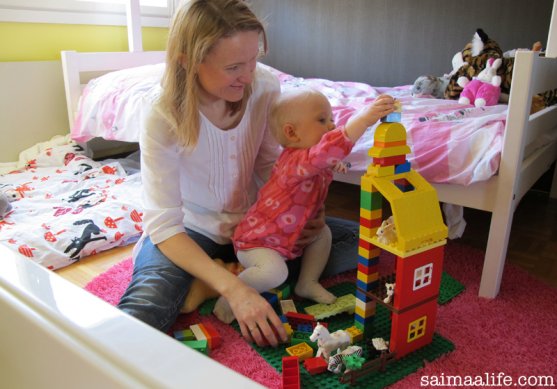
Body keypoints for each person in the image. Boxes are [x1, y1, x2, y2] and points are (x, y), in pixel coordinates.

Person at [116, 0, 367, 347]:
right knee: (143, 312)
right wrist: (236, 292)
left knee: (360, 243)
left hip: (258, 226)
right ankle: (222, 275)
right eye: (234, 66)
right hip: (191, 231)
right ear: (188, 61)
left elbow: (269, 166)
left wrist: (300, 211)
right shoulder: (162, 115)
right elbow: (165, 225)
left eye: (253, 60)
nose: (248, 76)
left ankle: (213, 277)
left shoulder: (264, 88)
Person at [213, 88, 395, 323]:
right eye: (322, 120)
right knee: (276, 273)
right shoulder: (295, 161)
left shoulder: (310, 162)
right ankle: (228, 299)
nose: (331, 126)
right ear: (292, 132)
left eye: (331, 119)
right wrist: (362, 120)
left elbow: (321, 163)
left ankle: (307, 282)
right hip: (258, 243)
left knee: (323, 234)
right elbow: (327, 149)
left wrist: (331, 166)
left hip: (292, 238)